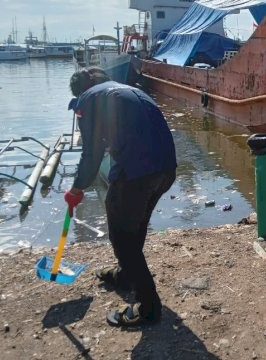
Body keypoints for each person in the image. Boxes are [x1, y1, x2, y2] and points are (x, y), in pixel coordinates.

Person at [65, 67, 177, 327]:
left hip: (137, 173)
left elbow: (91, 153)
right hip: (166, 168)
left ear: (80, 90)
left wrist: (76, 188)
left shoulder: (87, 99)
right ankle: (127, 274)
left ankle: (148, 307)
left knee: (122, 236)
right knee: (134, 226)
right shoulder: (126, 90)